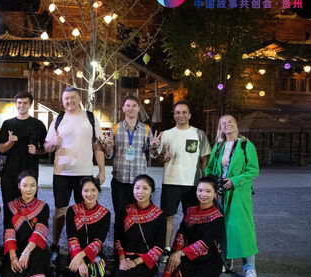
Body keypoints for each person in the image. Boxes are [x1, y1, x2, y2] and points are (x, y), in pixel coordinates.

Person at [44, 87, 106, 258]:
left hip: (84, 172)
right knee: (60, 211)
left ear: (79, 99)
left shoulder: (90, 118)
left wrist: (102, 171)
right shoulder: (58, 119)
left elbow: (98, 146)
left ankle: (84, 246)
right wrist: (53, 143)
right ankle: (55, 245)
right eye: (66, 99)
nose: (69, 101)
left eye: (72, 98)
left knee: (85, 211)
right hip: (62, 172)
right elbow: (46, 146)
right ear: (63, 101)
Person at [205, 114, 259, 277]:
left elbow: (253, 170)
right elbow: (210, 168)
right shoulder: (219, 146)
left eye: (230, 122)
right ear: (220, 128)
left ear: (236, 126)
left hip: (238, 193)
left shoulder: (246, 145)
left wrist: (234, 181)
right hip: (220, 193)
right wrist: (212, 187)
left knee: (243, 229)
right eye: (223, 123)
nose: (227, 125)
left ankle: (250, 269)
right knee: (222, 228)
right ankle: (226, 261)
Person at [0, 171, 62, 277]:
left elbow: (39, 232)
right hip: (16, 248)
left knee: (36, 257)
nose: (29, 189)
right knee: (10, 273)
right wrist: (14, 257)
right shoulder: (10, 206)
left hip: (36, 247)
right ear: (19, 186)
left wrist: (26, 253)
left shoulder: (43, 207)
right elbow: (9, 232)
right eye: (25, 185)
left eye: (33, 185)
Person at [155, 101, 211, 262]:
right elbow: (157, 157)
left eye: (184, 112)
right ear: (174, 115)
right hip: (171, 181)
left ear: (190, 115)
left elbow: (204, 159)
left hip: (192, 184)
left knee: (191, 217)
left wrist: (205, 181)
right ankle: (166, 248)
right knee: (168, 217)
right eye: (178, 112)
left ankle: (188, 248)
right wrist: (161, 157)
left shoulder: (199, 134)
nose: (181, 115)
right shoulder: (166, 134)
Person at [104, 95, 160, 241]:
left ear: (138, 109)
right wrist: (108, 146)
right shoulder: (115, 128)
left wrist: (154, 148)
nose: (131, 108)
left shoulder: (146, 129)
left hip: (139, 183)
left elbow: (152, 154)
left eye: (134, 106)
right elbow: (109, 155)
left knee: (138, 215)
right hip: (120, 181)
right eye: (128, 106)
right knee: (120, 216)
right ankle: (119, 252)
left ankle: (134, 248)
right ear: (123, 108)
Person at [160, 176, 224, 277]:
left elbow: (204, 243)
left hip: (208, 260)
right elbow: (181, 235)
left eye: (208, 191)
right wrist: (173, 255)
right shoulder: (190, 211)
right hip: (189, 258)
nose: (203, 194)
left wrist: (180, 254)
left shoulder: (218, 218)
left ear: (215, 194)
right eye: (200, 190)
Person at [108, 175, 166, 277]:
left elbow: (158, 248)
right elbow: (118, 239)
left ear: (151, 191)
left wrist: (135, 262)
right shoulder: (125, 211)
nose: (140, 192)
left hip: (146, 261)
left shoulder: (159, 215)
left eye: (145, 188)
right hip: (126, 258)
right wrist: (122, 259)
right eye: (137, 188)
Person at [64, 176, 111, 277]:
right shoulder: (72, 211)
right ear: (81, 192)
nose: (89, 194)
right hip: (74, 255)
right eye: (86, 191)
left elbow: (98, 242)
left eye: (93, 190)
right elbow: (72, 238)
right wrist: (79, 261)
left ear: (98, 191)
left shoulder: (105, 213)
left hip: (95, 257)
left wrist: (81, 257)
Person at [0, 91, 47, 206]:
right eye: (19, 102)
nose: (22, 105)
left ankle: (28, 225)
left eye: (25, 103)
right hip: (9, 173)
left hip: (30, 171)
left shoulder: (38, 125)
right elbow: (1, 149)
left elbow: (46, 149)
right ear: (16, 104)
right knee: (9, 206)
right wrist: (10, 142)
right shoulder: (7, 124)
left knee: (29, 206)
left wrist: (37, 151)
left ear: (30, 105)